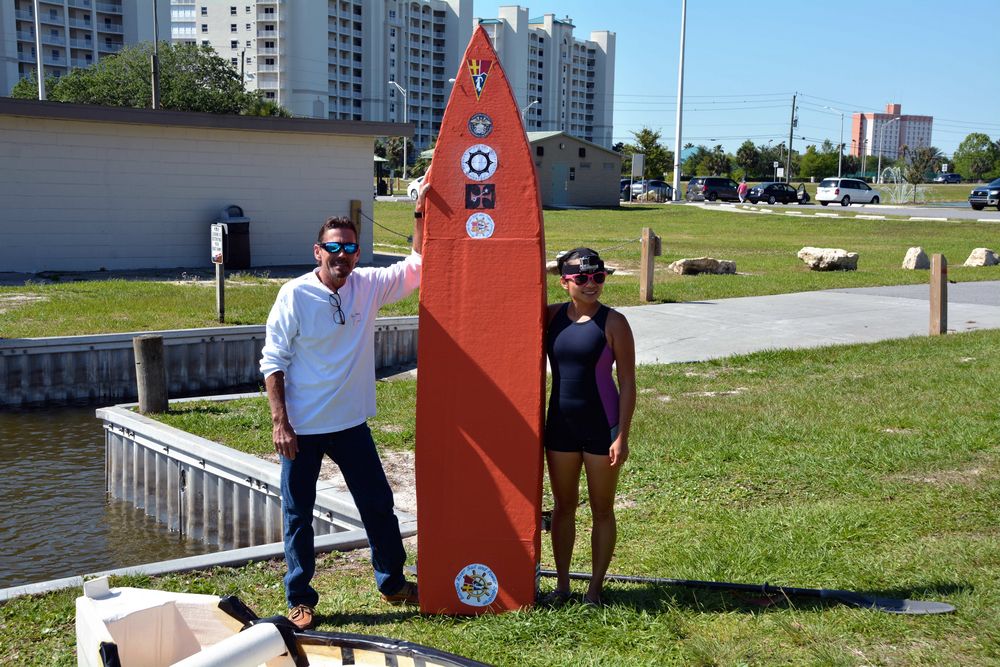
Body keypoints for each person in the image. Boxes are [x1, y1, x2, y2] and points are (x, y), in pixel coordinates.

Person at [259, 188, 427, 630]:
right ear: (318, 251)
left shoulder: (366, 286)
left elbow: (416, 267)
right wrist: (282, 423)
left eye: (350, 247)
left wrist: (419, 209)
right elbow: (272, 362)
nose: (342, 255)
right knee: (298, 514)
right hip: (303, 427)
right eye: (333, 247)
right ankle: (300, 599)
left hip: (351, 425)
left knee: (378, 506)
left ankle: (393, 584)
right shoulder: (294, 295)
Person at [543, 248, 636, 606]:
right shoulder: (551, 317)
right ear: (564, 281)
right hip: (561, 428)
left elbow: (627, 382)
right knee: (563, 507)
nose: (591, 284)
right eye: (581, 278)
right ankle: (563, 586)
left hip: (602, 428)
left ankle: (594, 590)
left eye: (598, 277)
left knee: (602, 509)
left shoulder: (614, 323)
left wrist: (622, 436)